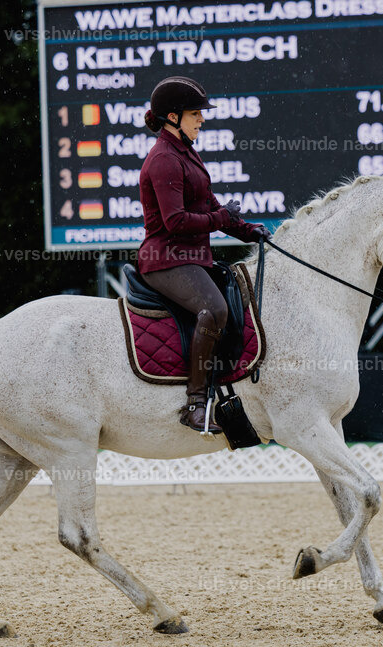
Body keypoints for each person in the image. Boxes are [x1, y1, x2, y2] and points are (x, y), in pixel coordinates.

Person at [137, 76, 271, 433]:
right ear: (172, 117)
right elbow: (176, 221)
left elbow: (209, 206)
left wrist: (247, 229)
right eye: (195, 114)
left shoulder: (186, 153)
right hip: (166, 258)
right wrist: (221, 217)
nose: (202, 120)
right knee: (214, 309)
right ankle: (195, 404)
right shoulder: (164, 159)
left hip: (191, 256)